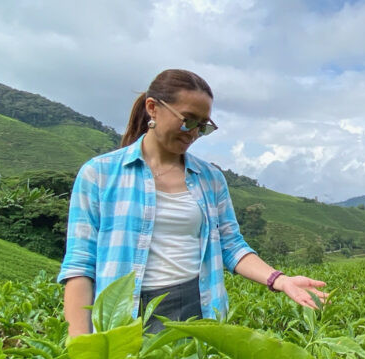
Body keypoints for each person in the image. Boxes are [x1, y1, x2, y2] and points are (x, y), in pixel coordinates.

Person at [58, 69, 327, 338]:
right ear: (153, 108)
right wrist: (81, 344)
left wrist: (280, 280)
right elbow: (80, 265)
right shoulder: (99, 174)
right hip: (124, 314)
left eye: (203, 125)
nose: (194, 133)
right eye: (187, 121)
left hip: (198, 307)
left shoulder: (210, 179)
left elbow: (230, 244)